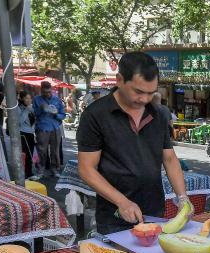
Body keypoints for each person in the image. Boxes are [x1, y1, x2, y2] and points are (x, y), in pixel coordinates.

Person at [77, 52, 189, 234]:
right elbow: (86, 169)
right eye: (138, 91)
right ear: (119, 80)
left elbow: (169, 159)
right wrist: (122, 201)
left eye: (151, 93)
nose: (145, 99)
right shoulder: (95, 115)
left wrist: (182, 197)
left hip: (154, 211)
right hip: (115, 215)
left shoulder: (159, 114)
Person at [33, 81, 66, 177]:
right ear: (41, 90)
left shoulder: (57, 100)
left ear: (51, 90)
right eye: (45, 92)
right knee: (41, 150)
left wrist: (56, 114)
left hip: (55, 127)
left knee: (55, 150)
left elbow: (63, 115)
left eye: (49, 92)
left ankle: (54, 169)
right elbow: (35, 114)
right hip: (42, 128)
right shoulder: (37, 99)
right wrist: (41, 108)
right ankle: (40, 169)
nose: (47, 94)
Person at [18, 91, 36, 179]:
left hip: (31, 134)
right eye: (26, 98)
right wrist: (26, 110)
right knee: (24, 154)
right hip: (23, 133)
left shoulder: (31, 108)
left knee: (30, 154)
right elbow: (19, 121)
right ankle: (23, 173)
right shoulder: (19, 108)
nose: (29, 100)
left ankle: (29, 173)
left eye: (30, 98)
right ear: (22, 99)